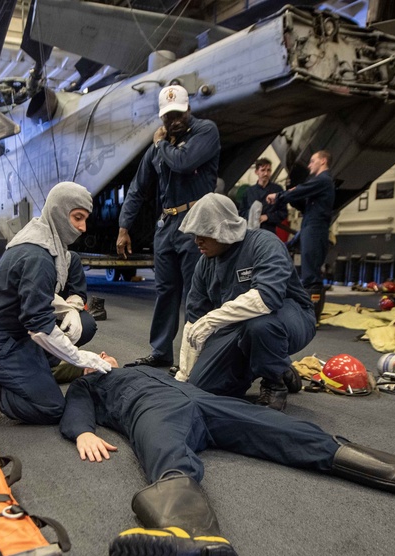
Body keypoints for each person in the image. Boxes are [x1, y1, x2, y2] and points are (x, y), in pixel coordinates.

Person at [59, 356, 395, 556]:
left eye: (102, 357)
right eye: (88, 359)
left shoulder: (141, 366)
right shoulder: (90, 383)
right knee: (167, 456)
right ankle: (188, 539)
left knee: (290, 431)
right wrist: (82, 432)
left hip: (204, 401)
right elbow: (75, 406)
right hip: (152, 411)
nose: (100, 360)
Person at [0, 182, 111, 425]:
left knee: (69, 342)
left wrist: (72, 311)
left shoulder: (40, 243)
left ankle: (27, 375)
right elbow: (39, 326)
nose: (83, 228)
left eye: (85, 219)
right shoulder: (39, 257)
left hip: (12, 337)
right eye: (77, 217)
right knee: (51, 407)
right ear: (58, 211)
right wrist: (80, 358)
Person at [175, 194, 313, 411]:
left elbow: (267, 298)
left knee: (260, 325)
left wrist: (212, 320)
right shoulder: (204, 263)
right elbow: (194, 322)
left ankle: (274, 381)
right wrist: (184, 377)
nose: (196, 241)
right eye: (194, 234)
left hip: (288, 317)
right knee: (201, 386)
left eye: (203, 233)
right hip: (237, 327)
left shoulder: (264, 244)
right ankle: (270, 363)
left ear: (224, 229)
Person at [117, 84, 220, 368]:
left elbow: (184, 163)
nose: (173, 120)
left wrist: (160, 144)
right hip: (166, 225)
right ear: (161, 117)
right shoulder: (159, 147)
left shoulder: (205, 131)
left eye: (177, 114)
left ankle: (195, 356)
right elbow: (137, 189)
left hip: (197, 223)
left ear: (188, 109)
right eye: (166, 116)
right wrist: (124, 227)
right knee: (165, 291)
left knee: (195, 293)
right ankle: (161, 352)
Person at [267, 151, 335, 321]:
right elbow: (303, 201)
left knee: (311, 274)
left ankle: (311, 316)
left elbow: (303, 190)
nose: (310, 165)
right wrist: (290, 195)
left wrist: (279, 196)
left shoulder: (323, 180)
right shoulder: (320, 183)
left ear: (323, 161)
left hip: (315, 228)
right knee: (308, 271)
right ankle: (309, 313)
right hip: (309, 226)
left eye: (313, 161)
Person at [238, 158, 287, 240]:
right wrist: (252, 215)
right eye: (263, 170)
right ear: (256, 172)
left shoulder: (277, 190)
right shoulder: (249, 192)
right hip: (251, 233)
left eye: (268, 170)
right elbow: (241, 212)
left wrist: (267, 217)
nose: (265, 173)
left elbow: (283, 212)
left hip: (269, 233)